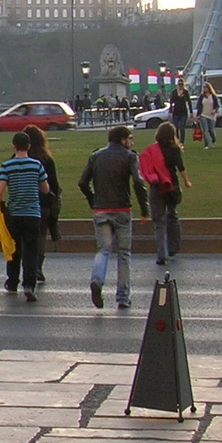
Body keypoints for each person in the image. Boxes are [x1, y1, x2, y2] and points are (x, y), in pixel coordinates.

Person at [77, 124, 150, 309]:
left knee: (103, 250)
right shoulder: (130, 156)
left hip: (100, 210)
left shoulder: (96, 156)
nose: (131, 142)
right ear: (123, 140)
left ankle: (97, 280)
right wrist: (145, 209)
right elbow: (138, 182)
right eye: (130, 138)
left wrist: (93, 199)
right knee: (124, 254)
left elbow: (82, 182)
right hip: (122, 209)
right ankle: (123, 297)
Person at [0, 131, 50, 302]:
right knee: (31, 250)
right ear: (29, 146)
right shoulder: (36, 165)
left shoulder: (7, 166)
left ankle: (12, 282)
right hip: (32, 213)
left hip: (14, 214)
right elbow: (45, 189)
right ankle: (29, 284)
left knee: (13, 248)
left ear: (13, 146)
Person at [140, 121, 192, 266]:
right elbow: (181, 168)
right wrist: (186, 181)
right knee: (173, 215)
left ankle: (161, 253)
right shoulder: (174, 149)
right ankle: (173, 247)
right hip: (172, 187)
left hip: (157, 186)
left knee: (159, 221)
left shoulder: (152, 150)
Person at [23, 124, 61, 287]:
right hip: (44, 202)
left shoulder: (19, 157)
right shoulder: (46, 159)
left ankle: (28, 267)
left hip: (24, 203)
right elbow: (54, 183)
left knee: (26, 238)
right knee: (41, 236)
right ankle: (38, 266)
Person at [196, 82, 219, 149]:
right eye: (204, 87)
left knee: (211, 130)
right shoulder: (202, 96)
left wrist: (215, 110)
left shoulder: (213, 96)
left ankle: (214, 140)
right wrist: (198, 115)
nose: (205, 89)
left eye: (206, 87)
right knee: (205, 130)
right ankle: (206, 145)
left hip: (211, 116)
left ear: (209, 88)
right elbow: (199, 106)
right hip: (203, 115)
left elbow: (217, 106)